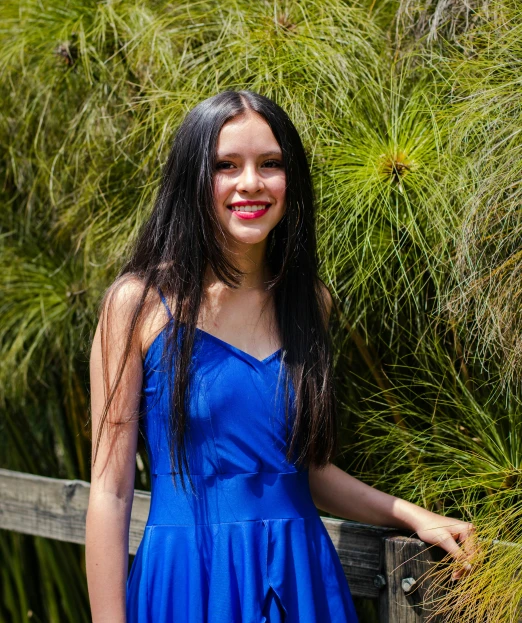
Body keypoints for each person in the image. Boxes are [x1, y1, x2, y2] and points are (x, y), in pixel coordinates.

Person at [85, 90, 475, 623]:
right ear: (193, 178)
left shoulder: (309, 300)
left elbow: (302, 469)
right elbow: (109, 491)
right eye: (226, 165)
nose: (251, 183)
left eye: (270, 164)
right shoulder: (137, 306)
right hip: (191, 577)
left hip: (301, 574)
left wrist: (411, 516)